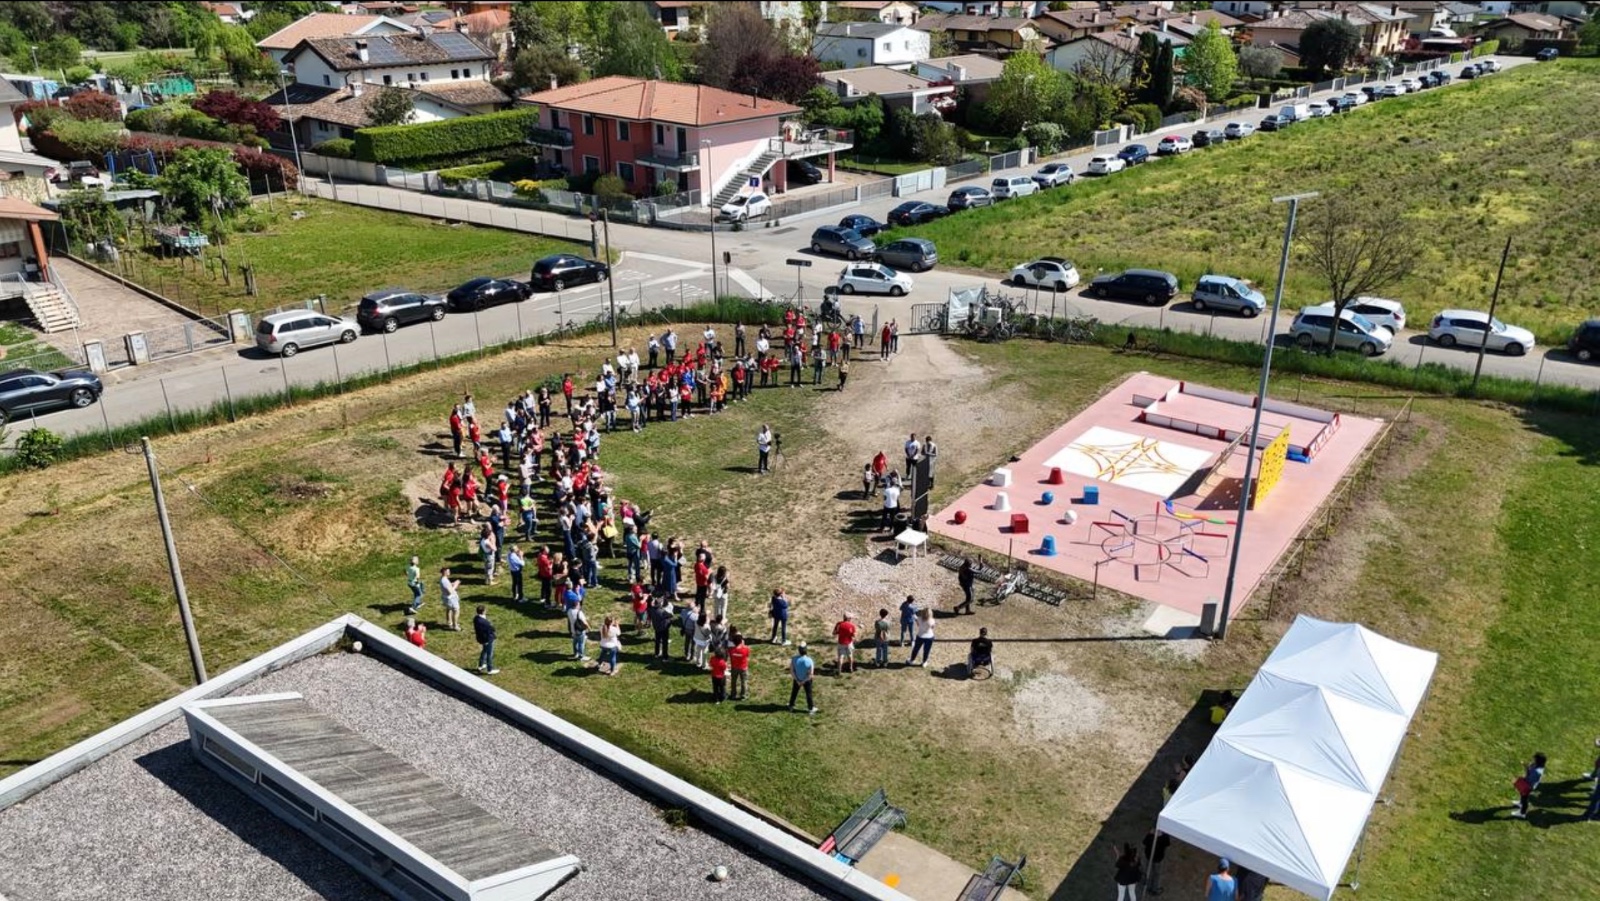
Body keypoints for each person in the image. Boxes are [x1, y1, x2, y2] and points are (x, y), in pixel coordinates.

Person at [1513, 752, 1546, 818]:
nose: (1533, 760)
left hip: (1528, 786)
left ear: (1538, 761)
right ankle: (1520, 803)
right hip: (1528, 783)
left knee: (1525, 798)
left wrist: (1526, 768)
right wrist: (1527, 767)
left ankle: (1522, 813)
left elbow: (1529, 778)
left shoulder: (1537, 772)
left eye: (1534, 759)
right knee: (1522, 794)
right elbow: (1530, 770)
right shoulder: (1537, 766)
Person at [788, 642, 817, 714]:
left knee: (794, 692)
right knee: (808, 694)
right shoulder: (810, 661)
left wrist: (797, 680)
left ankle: (791, 705)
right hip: (807, 680)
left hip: (797, 679)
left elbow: (792, 671)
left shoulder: (794, 659)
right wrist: (803, 681)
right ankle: (810, 709)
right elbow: (811, 674)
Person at [1142, 829, 1170, 896]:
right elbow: (1167, 844)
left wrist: (1150, 833)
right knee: (1156, 874)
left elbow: (1144, 842)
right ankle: (1154, 888)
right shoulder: (1165, 836)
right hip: (1156, 858)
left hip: (1151, 857)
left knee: (1150, 872)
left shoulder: (1151, 835)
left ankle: (1148, 886)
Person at [473, 605, 499, 675]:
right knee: (489, 654)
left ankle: (481, 665)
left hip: (481, 638)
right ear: (483, 611)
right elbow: (492, 629)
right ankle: (490, 669)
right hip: (487, 639)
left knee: (484, 651)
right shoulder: (484, 622)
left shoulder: (476, 618)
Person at [729, 633, 751, 700]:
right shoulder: (746, 649)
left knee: (733, 681)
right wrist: (743, 645)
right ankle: (743, 695)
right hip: (743, 667)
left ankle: (733, 694)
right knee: (744, 681)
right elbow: (747, 655)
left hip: (734, 667)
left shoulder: (731, 650)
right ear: (741, 641)